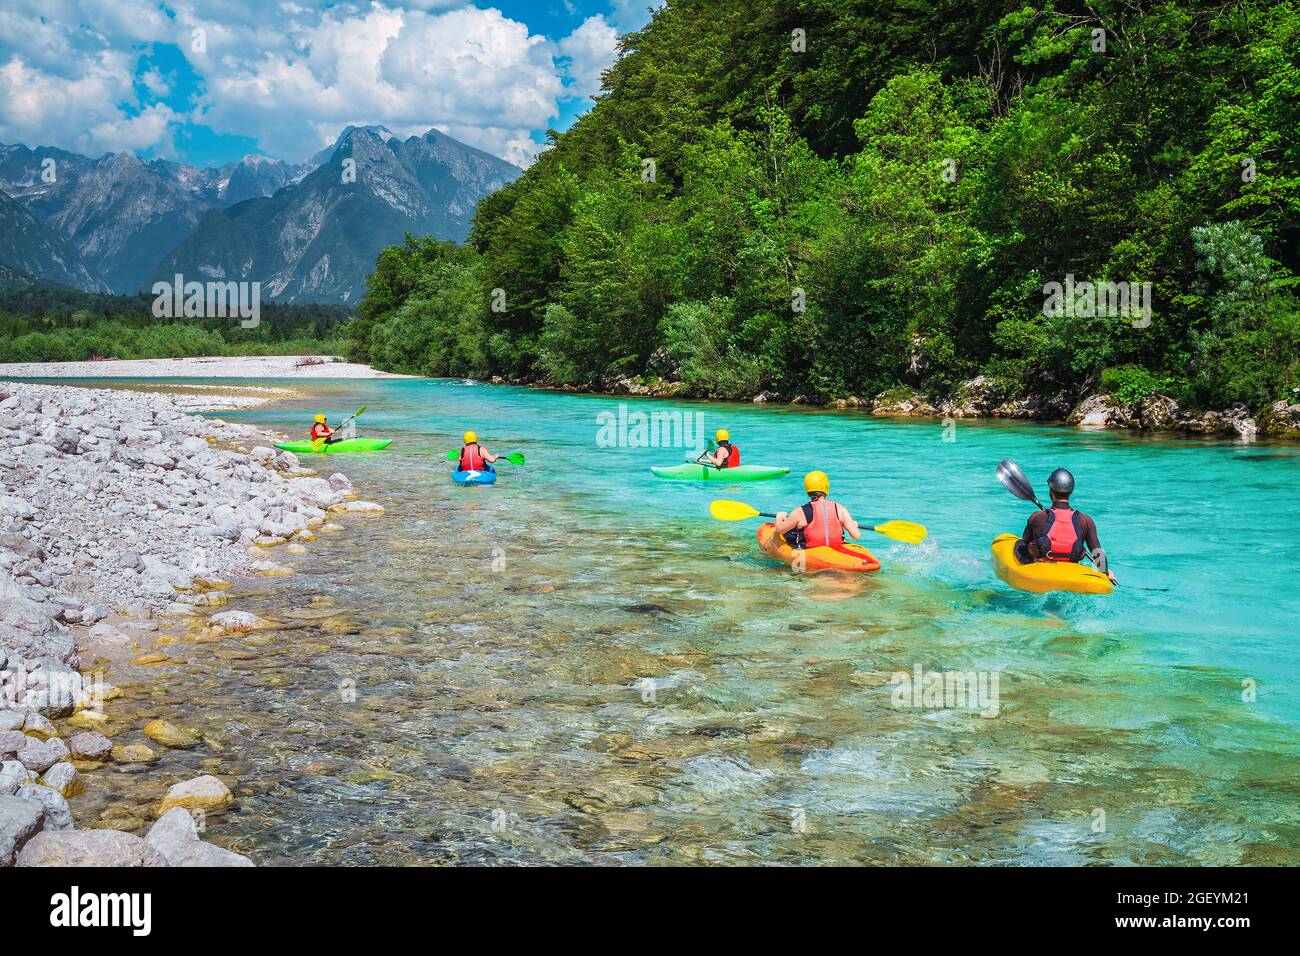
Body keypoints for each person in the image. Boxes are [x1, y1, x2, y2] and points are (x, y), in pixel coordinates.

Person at [1015, 468, 1116, 583]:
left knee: (1019, 545)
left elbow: (1025, 538)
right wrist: (1106, 572)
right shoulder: (1086, 520)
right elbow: (1098, 553)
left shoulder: (1037, 517)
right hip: (1072, 569)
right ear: (1070, 492)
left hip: (1042, 570)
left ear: (1051, 492)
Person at [771, 471, 862, 548]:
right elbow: (856, 535)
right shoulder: (840, 508)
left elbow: (780, 530)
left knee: (790, 532)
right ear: (826, 487)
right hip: (835, 546)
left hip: (811, 549)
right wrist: (853, 525)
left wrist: (780, 517)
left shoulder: (800, 511)